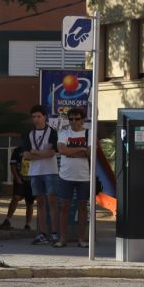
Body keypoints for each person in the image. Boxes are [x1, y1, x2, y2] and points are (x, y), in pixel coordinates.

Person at [21, 104, 60, 245]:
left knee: (52, 203)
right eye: (34, 117)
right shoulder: (29, 134)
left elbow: (52, 152)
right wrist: (41, 154)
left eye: (39, 116)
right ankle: (42, 234)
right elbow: (26, 154)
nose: (36, 119)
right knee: (40, 203)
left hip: (50, 171)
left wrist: (35, 153)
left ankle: (55, 233)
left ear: (44, 117)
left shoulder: (52, 132)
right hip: (35, 172)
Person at [55, 107, 92, 249]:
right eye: (71, 119)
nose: (74, 122)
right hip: (65, 175)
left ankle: (81, 239)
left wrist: (72, 153)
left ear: (83, 119)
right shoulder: (64, 133)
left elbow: (89, 153)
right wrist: (81, 149)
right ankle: (62, 239)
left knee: (82, 208)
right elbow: (62, 150)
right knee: (64, 207)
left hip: (84, 176)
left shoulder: (89, 133)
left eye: (77, 119)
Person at [0, 143, 34, 231]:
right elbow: (13, 165)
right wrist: (16, 177)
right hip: (20, 179)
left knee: (30, 202)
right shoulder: (18, 150)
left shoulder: (35, 150)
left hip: (32, 180)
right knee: (16, 198)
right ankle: (8, 219)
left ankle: (28, 224)